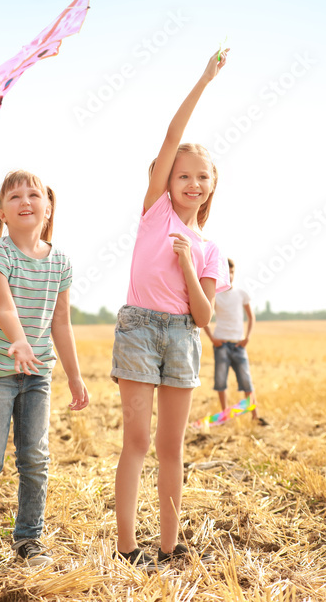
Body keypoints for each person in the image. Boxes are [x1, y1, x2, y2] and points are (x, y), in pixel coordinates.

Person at [112, 49, 230, 569]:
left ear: (212, 186)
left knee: (171, 447)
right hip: (139, 329)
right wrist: (204, 79)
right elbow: (170, 136)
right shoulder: (155, 212)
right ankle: (126, 547)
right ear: (166, 180)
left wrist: (186, 265)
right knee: (136, 440)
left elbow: (204, 318)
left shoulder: (209, 249)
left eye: (202, 177)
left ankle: (168, 544)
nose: (193, 183)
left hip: (183, 335)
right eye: (184, 175)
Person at [0, 170, 89, 572]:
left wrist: (74, 375)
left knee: (35, 460)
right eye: (14, 197)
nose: (25, 200)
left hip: (38, 374)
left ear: (48, 207)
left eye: (33, 194)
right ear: (2, 213)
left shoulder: (60, 261)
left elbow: (62, 322)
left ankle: (29, 539)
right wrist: (19, 340)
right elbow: (5, 308)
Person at [202, 259, 265, 424]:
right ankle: (224, 416)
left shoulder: (241, 294)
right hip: (221, 344)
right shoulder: (214, 294)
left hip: (238, 345)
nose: (229, 275)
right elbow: (204, 317)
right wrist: (212, 338)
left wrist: (247, 337)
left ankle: (255, 416)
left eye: (232, 272)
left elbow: (251, 317)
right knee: (221, 381)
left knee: (246, 381)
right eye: (226, 272)